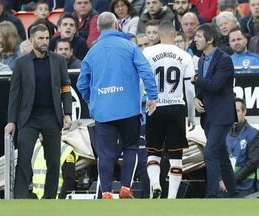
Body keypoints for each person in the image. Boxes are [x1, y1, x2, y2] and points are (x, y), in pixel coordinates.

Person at [77, 12, 158, 199]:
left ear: (98, 28)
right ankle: (126, 188)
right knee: (131, 147)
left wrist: (92, 99)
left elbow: (82, 83)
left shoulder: (92, 52)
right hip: (129, 109)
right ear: (116, 25)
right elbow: (145, 71)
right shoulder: (129, 46)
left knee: (105, 153)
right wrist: (153, 96)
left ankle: (106, 192)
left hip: (103, 111)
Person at [5, 24, 72, 199]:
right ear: (31, 40)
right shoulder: (21, 63)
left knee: (53, 162)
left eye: (47, 38)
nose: (44, 42)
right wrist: (11, 121)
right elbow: (14, 94)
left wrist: (68, 113)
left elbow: (66, 88)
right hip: (29, 119)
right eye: (40, 38)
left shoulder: (59, 61)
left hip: (52, 117)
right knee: (24, 160)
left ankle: (49, 200)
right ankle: (19, 198)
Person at [143, 21, 196, 199]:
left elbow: (141, 82)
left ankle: (155, 184)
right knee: (176, 156)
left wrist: (142, 104)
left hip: (155, 106)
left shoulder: (148, 53)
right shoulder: (184, 55)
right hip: (176, 107)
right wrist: (191, 115)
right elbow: (189, 89)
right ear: (174, 36)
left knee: (153, 152)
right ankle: (172, 198)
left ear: (158, 35)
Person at [191, 23, 237, 198]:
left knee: (210, 152)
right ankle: (233, 193)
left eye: (198, 36)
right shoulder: (202, 59)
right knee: (222, 155)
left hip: (222, 115)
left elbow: (216, 85)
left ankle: (212, 195)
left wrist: (196, 79)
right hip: (208, 115)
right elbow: (204, 88)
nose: (195, 39)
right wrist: (196, 98)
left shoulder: (224, 59)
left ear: (209, 40)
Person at [221, 97, 259, 198]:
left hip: (246, 189)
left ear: (244, 112)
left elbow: (252, 162)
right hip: (225, 188)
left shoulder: (255, 135)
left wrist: (231, 181)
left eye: (237, 111)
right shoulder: (223, 133)